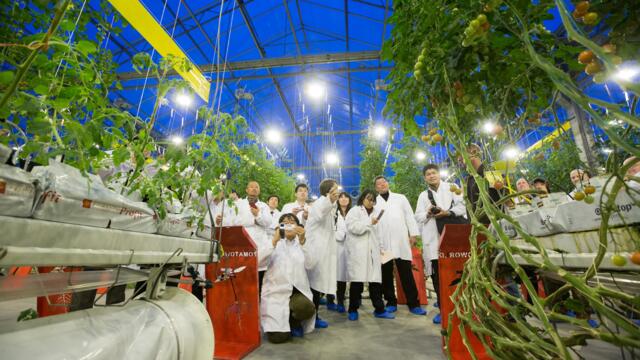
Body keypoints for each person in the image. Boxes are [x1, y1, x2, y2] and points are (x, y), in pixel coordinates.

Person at [414, 164, 465, 324]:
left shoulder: (452, 187)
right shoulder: (423, 195)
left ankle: (462, 307)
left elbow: (462, 206)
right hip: (433, 241)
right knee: (437, 278)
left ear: (438, 174)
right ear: (425, 178)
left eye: (433, 173)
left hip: (451, 239)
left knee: (457, 274)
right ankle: (444, 310)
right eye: (428, 174)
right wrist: (429, 213)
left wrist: (447, 212)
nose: (431, 176)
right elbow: (418, 216)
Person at [373, 176, 426, 315]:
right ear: (376, 188)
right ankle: (391, 301)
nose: (382, 185)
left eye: (384, 182)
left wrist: (413, 234)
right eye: (378, 184)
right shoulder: (374, 202)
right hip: (383, 243)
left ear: (388, 183)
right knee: (386, 274)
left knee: (406, 273)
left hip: (401, 241)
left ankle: (414, 303)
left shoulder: (400, 198)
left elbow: (409, 216)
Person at [261, 213, 316, 343]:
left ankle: (294, 323)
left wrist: (303, 241)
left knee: (306, 307)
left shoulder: (302, 244)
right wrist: (274, 241)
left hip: (297, 291)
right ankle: (283, 327)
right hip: (276, 293)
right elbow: (258, 262)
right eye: (285, 223)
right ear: (279, 227)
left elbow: (311, 264)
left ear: (298, 227)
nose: (289, 225)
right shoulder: (272, 242)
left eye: (292, 222)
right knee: (278, 339)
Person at [345, 190, 396, 321]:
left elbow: (378, 234)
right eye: (368, 198)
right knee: (357, 283)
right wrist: (369, 223)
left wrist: (381, 249)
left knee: (375, 283)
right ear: (362, 198)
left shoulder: (376, 213)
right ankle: (353, 309)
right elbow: (353, 228)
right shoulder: (355, 211)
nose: (370, 201)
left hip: (374, 253)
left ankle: (379, 309)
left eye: (373, 199)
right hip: (358, 252)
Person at [225, 181, 273, 295]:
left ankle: (257, 307)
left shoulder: (264, 206)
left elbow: (268, 222)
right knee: (241, 275)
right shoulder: (238, 204)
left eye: (256, 187)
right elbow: (234, 221)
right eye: (251, 187)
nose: (254, 189)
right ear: (246, 190)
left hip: (260, 246)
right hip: (243, 245)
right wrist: (253, 220)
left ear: (259, 191)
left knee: (258, 281)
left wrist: (258, 215)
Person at [304, 179, 340, 328]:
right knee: (314, 286)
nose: (337, 191)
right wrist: (330, 200)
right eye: (335, 189)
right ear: (328, 191)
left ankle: (314, 316)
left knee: (317, 286)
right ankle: (313, 317)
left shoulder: (330, 204)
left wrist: (332, 201)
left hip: (323, 250)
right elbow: (319, 216)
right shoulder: (320, 203)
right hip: (315, 251)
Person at [464, 143, 502, 224]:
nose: (464, 162)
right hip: (478, 225)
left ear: (474, 153)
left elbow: (501, 191)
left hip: (495, 222)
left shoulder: (490, 170)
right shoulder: (469, 180)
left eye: (464, 157)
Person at [327, 192, 351, 313]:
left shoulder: (354, 212)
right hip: (336, 246)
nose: (343, 199)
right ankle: (331, 300)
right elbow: (329, 229)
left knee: (346, 275)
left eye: (346, 196)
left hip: (351, 247)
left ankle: (343, 300)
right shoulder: (333, 213)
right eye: (341, 197)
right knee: (334, 274)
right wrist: (339, 235)